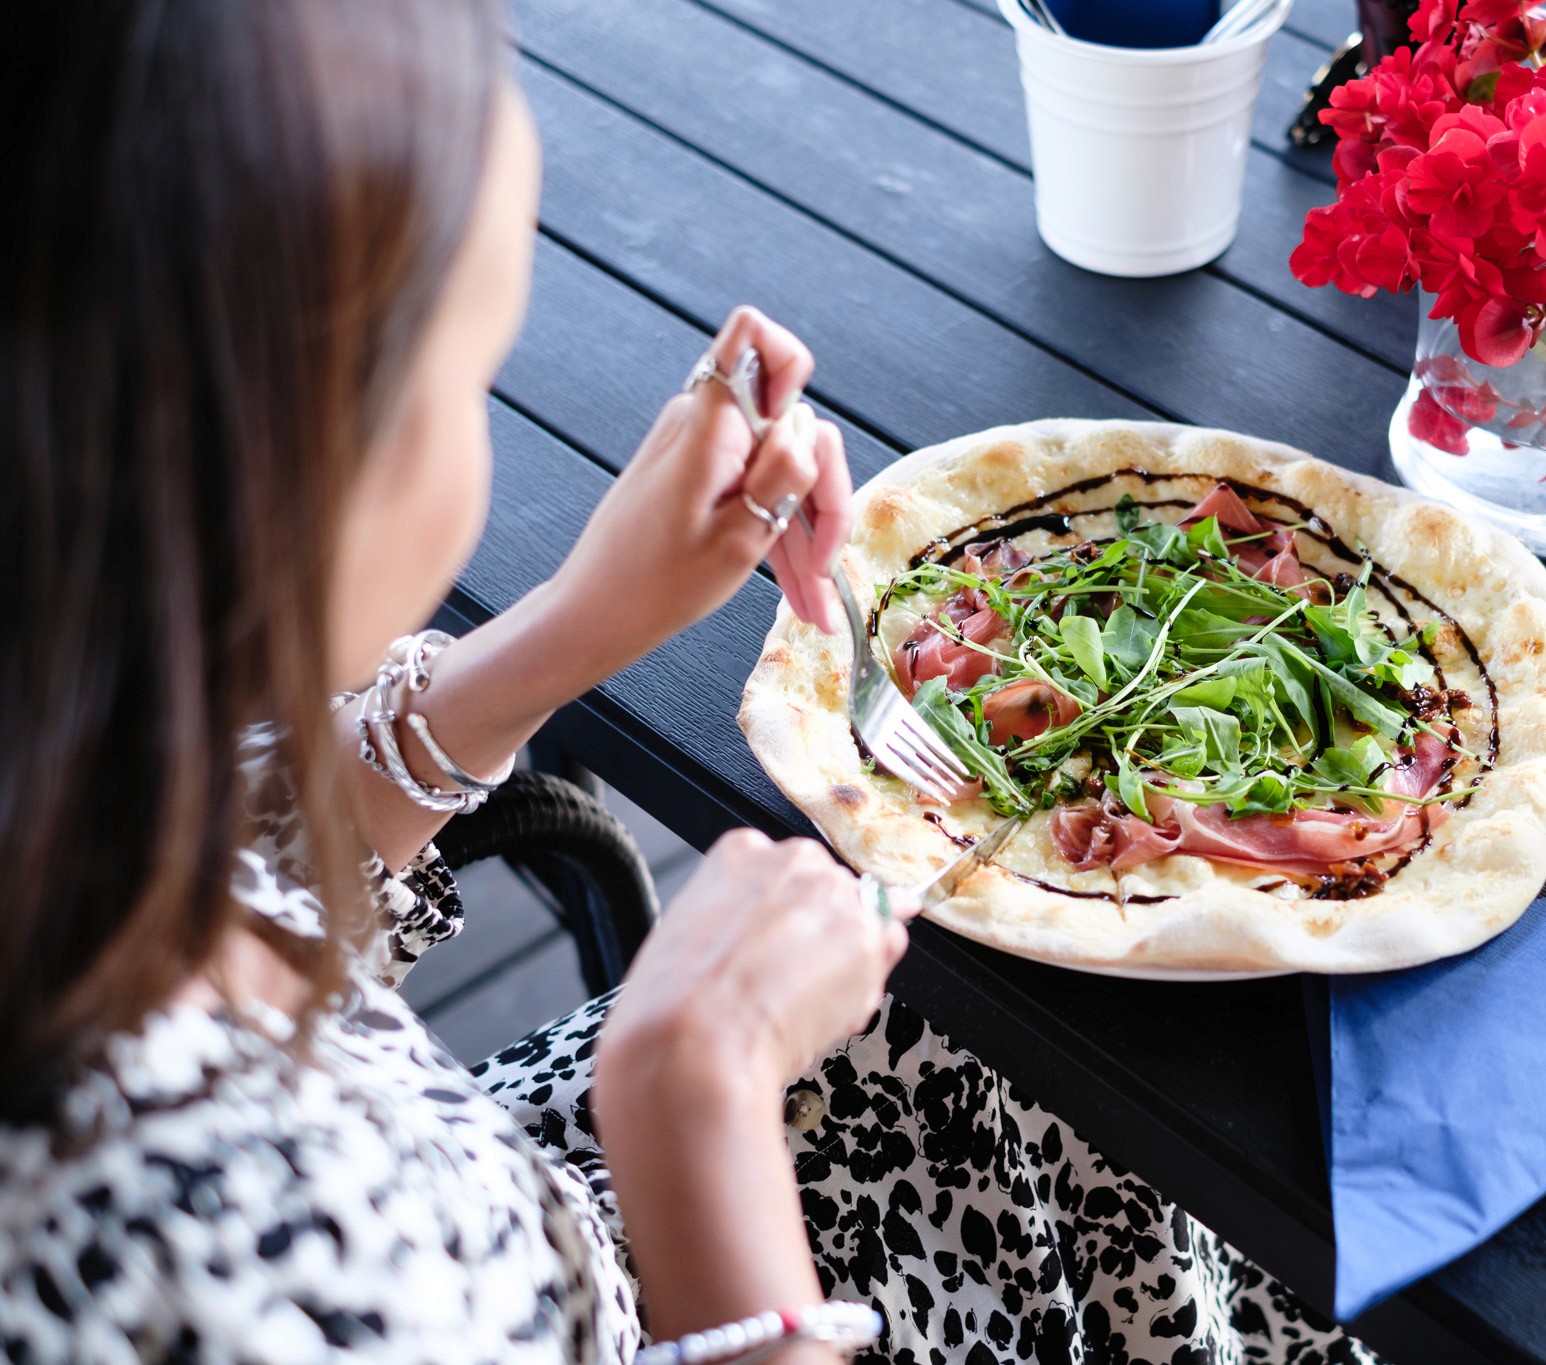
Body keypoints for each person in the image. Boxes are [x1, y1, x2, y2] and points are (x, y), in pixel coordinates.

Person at [0, 3, 1372, 1361]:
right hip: (663, 1246)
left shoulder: (58, 796)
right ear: (257, 467)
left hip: (550, 1197)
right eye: (471, 376)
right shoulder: (190, 1225)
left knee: (1029, 1039)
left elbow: (253, 871)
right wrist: (690, 1095)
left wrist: (572, 625)